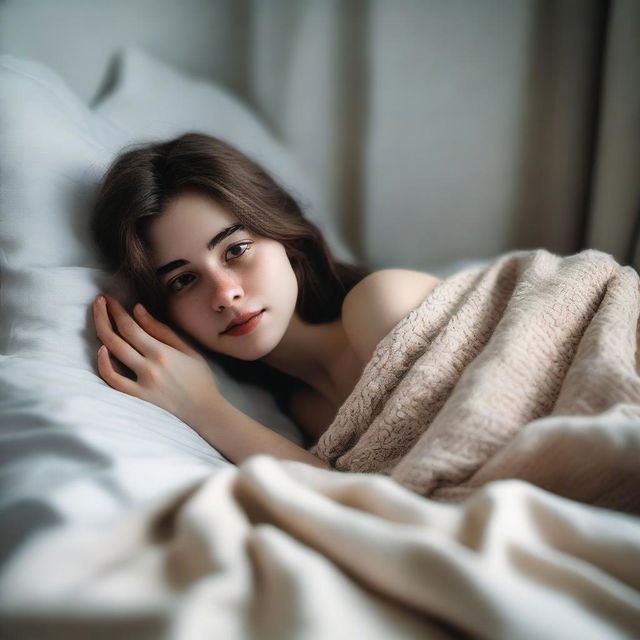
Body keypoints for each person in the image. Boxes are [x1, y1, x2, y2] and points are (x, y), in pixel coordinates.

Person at [91, 133, 440, 469]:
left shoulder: (381, 301)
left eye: (236, 250)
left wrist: (206, 409)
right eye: (183, 280)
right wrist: (200, 407)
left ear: (284, 235)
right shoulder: (300, 411)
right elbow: (362, 506)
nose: (226, 295)